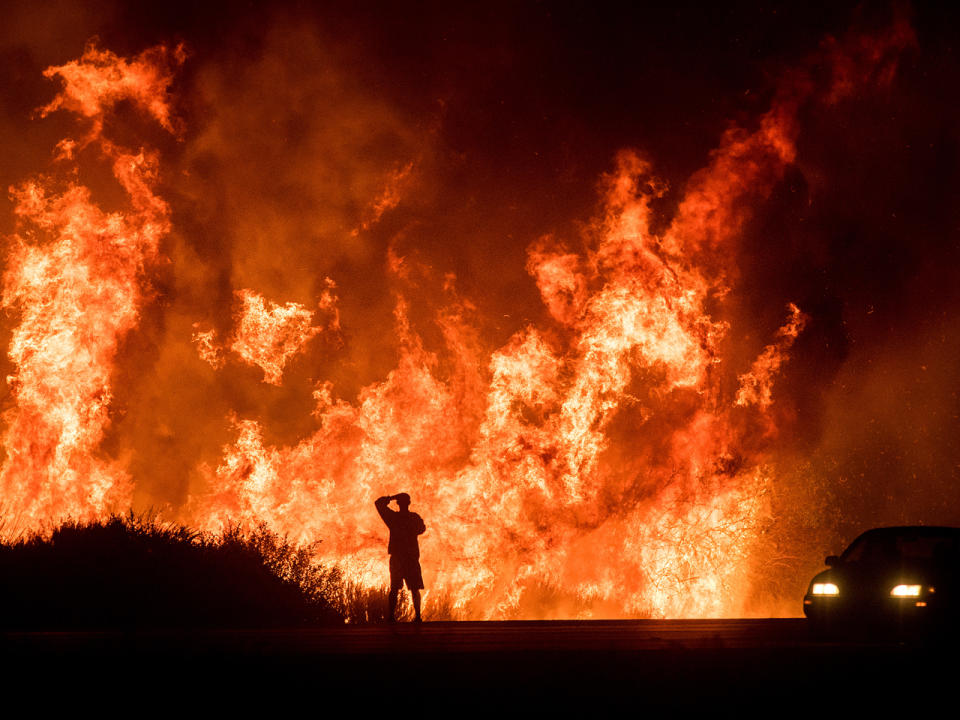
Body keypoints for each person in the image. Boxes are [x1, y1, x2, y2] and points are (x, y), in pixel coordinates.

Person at [375, 492, 427, 622]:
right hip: (410, 558)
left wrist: (392, 497)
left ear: (397, 503)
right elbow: (422, 528)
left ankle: (391, 618)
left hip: (398, 558)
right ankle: (418, 617)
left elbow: (378, 503)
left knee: (394, 589)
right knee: (414, 589)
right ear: (409, 503)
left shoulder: (392, 518)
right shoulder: (414, 518)